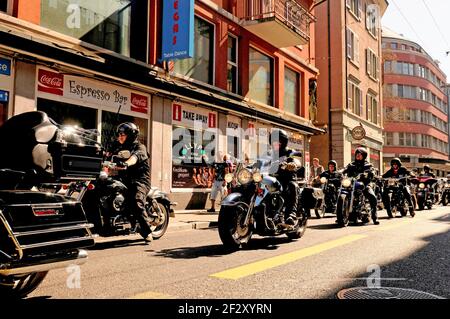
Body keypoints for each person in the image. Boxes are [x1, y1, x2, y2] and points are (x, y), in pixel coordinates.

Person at [111, 122, 155, 243]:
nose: (119, 137)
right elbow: (107, 155)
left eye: (122, 135)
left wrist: (126, 163)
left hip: (140, 181)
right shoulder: (118, 146)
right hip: (123, 180)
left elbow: (135, 158)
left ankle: (146, 232)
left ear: (130, 136)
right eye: (119, 134)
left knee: (136, 202)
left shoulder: (140, 147)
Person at [269, 129, 304, 226]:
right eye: (274, 141)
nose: (276, 143)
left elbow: (297, 160)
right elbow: (259, 162)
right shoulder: (269, 154)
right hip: (272, 180)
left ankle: (291, 215)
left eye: (278, 141)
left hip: (286, 179)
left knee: (292, 186)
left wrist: (293, 163)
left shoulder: (289, 152)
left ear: (283, 142)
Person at [341, 147, 379, 225]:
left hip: (364, 184)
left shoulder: (368, 165)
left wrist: (371, 173)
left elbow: (372, 170)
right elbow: (345, 169)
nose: (358, 156)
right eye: (357, 154)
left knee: (372, 197)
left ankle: (375, 217)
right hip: (351, 184)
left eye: (360, 154)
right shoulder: (351, 164)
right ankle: (341, 216)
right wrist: (339, 172)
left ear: (364, 156)